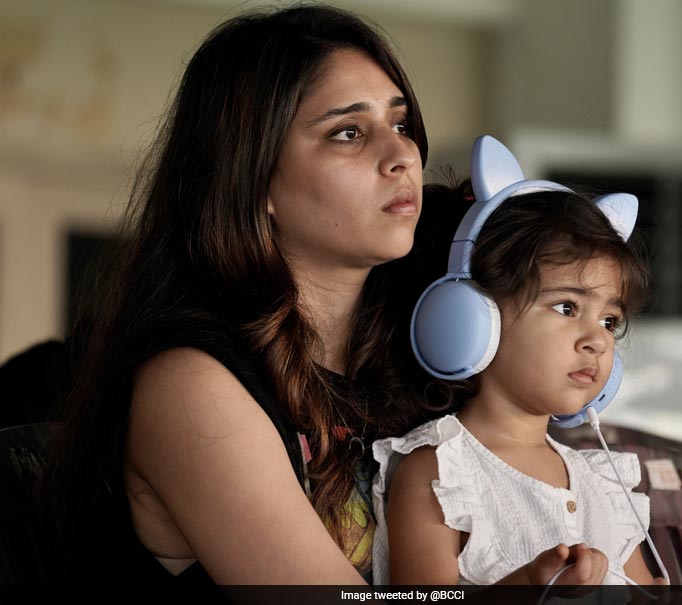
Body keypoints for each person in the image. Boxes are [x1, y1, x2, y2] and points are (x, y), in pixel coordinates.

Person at [44, 5, 589, 588]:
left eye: (401, 125)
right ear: (255, 181)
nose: (402, 155)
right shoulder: (191, 386)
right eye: (348, 133)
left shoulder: (413, 352)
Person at [372, 136, 666, 587]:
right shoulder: (438, 470)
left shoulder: (599, 481)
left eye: (610, 321)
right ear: (475, 318)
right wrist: (527, 586)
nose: (598, 341)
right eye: (568, 307)